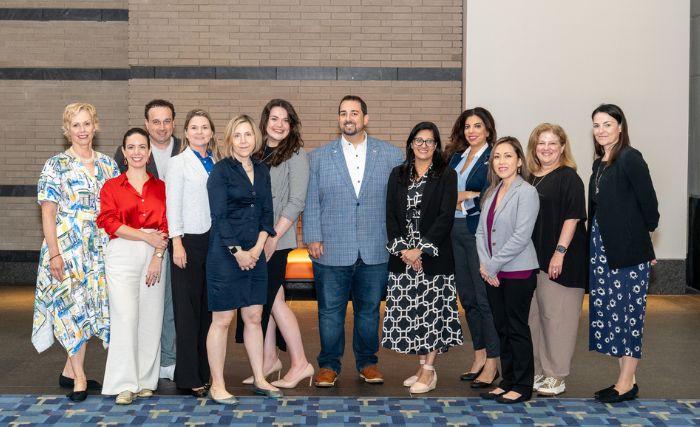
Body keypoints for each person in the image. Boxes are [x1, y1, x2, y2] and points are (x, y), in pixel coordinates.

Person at [303, 95, 403, 388]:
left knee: (369, 312)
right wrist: (313, 236)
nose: (349, 118)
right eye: (343, 113)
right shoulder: (318, 157)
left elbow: (399, 202)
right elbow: (311, 201)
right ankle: (328, 366)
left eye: (355, 113)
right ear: (339, 119)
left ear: (365, 119)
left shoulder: (391, 155)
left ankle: (368, 363)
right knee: (329, 312)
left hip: (375, 247)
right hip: (331, 247)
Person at [32, 102, 119, 402]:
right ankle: (79, 378)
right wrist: (54, 254)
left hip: (99, 250)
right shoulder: (55, 165)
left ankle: (69, 371)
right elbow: (47, 213)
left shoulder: (109, 165)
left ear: (95, 126)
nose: (82, 130)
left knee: (91, 308)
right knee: (71, 310)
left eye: (87, 124)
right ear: (67, 130)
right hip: (66, 250)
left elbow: (116, 210)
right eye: (76, 125)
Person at [236, 99, 314, 389]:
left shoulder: (296, 154)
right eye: (274, 118)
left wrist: (273, 237)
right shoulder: (256, 151)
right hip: (253, 239)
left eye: (285, 120)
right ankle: (269, 360)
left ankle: (300, 363)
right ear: (265, 121)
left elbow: (296, 201)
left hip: (277, 240)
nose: (279, 125)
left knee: (274, 301)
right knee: (268, 299)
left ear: (291, 125)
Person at [383, 121, 463, 394]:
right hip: (403, 257)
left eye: (429, 141)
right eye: (419, 140)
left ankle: (429, 371)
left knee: (432, 314)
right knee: (413, 315)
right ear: (411, 144)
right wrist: (405, 250)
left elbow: (445, 217)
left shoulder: (447, 175)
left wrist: (422, 249)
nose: (424, 145)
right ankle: (420, 368)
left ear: (436, 145)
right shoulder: (398, 174)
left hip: (434, 256)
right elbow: (390, 215)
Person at [206, 114, 280, 404]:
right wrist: (238, 253)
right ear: (229, 140)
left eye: (248, 134)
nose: (243, 140)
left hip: (256, 253)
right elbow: (219, 217)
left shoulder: (262, 170)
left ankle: (260, 378)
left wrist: (258, 248)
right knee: (223, 320)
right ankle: (217, 384)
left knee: (254, 317)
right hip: (226, 255)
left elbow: (267, 213)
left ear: (255, 138)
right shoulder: (221, 171)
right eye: (237, 135)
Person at [588, 104, 659, 403]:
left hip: (627, 252)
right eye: (596, 125)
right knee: (613, 315)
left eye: (607, 124)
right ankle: (626, 379)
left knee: (628, 316)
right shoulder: (600, 164)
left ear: (620, 127)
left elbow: (650, 207)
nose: (601, 130)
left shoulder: (630, 157)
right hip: (601, 250)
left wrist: (643, 245)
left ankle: (626, 383)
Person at [97, 128, 169, 405]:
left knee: (151, 317)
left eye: (142, 147)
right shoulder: (111, 186)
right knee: (125, 317)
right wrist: (145, 237)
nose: (137, 152)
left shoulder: (161, 187)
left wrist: (157, 256)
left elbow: (167, 224)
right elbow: (109, 222)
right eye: (131, 147)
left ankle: (146, 380)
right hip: (122, 253)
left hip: (155, 254)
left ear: (149, 152)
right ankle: (124, 383)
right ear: (124, 153)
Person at [113, 99, 181, 381]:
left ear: (174, 123)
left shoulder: (185, 148)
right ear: (146, 124)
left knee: (171, 303)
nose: (161, 127)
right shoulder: (132, 151)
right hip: (135, 242)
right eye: (156, 121)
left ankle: (169, 358)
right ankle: (136, 365)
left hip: (177, 238)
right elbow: (117, 202)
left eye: (167, 121)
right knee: (136, 307)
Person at [476, 136, 539, 404]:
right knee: (501, 328)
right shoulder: (492, 192)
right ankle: (508, 381)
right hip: (493, 273)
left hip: (518, 272)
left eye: (508, 156)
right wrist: (485, 265)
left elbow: (521, 236)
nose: (501, 161)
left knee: (516, 328)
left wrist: (491, 265)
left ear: (520, 161)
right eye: (497, 157)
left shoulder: (527, 192)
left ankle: (523, 385)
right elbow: (480, 232)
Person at [525, 123, 587, 397]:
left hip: (561, 261)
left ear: (562, 147)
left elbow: (572, 217)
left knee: (557, 318)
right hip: (531, 261)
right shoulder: (530, 177)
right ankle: (539, 371)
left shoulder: (569, 178)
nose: (546, 148)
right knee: (534, 319)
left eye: (552, 143)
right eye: (541, 143)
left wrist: (559, 252)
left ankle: (556, 375)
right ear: (534, 147)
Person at [445, 107, 501, 388]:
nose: (471, 131)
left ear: (488, 129)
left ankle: (493, 362)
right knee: (467, 299)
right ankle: (479, 357)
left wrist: (466, 198)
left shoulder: (494, 157)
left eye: (478, 126)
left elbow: (496, 193)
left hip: (477, 233)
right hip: (453, 232)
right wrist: (457, 197)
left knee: (484, 299)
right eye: (467, 126)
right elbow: (444, 192)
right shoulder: (456, 156)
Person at [165, 109, 219, 397]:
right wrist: (176, 242)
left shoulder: (216, 162)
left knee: (208, 310)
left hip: (214, 241)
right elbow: (172, 204)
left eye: (205, 127)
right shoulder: (178, 163)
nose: (200, 132)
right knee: (187, 312)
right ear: (185, 132)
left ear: (211, 133)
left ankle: (204, 371)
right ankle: (188, 375)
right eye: (194, 127)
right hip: (187, 242)